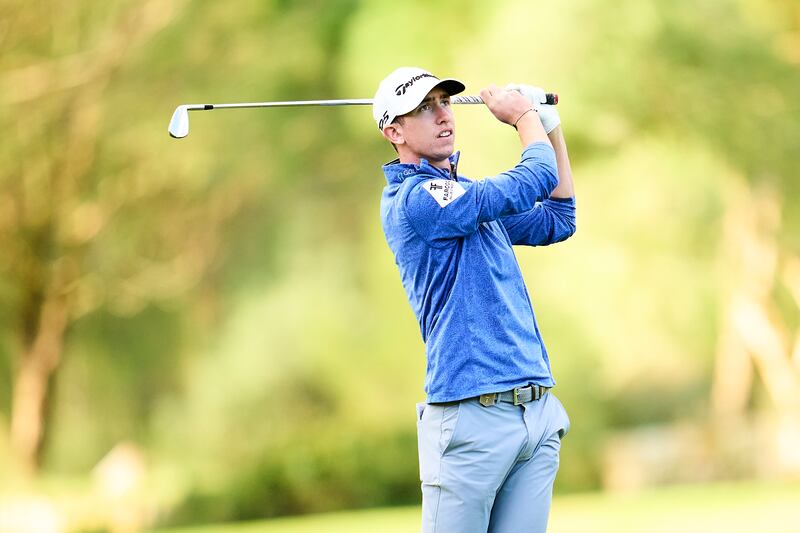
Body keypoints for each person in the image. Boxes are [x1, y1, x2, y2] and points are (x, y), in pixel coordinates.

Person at [373, 66, 576, 533]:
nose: (442, 115)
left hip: (536, 413)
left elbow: (558, 215)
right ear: (394, 131)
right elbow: (530, 179)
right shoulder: (415, 200)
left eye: (444, 102)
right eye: (423, 108)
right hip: (470, 418)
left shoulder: (465, 196)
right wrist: (522, 117)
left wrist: (547, 122)